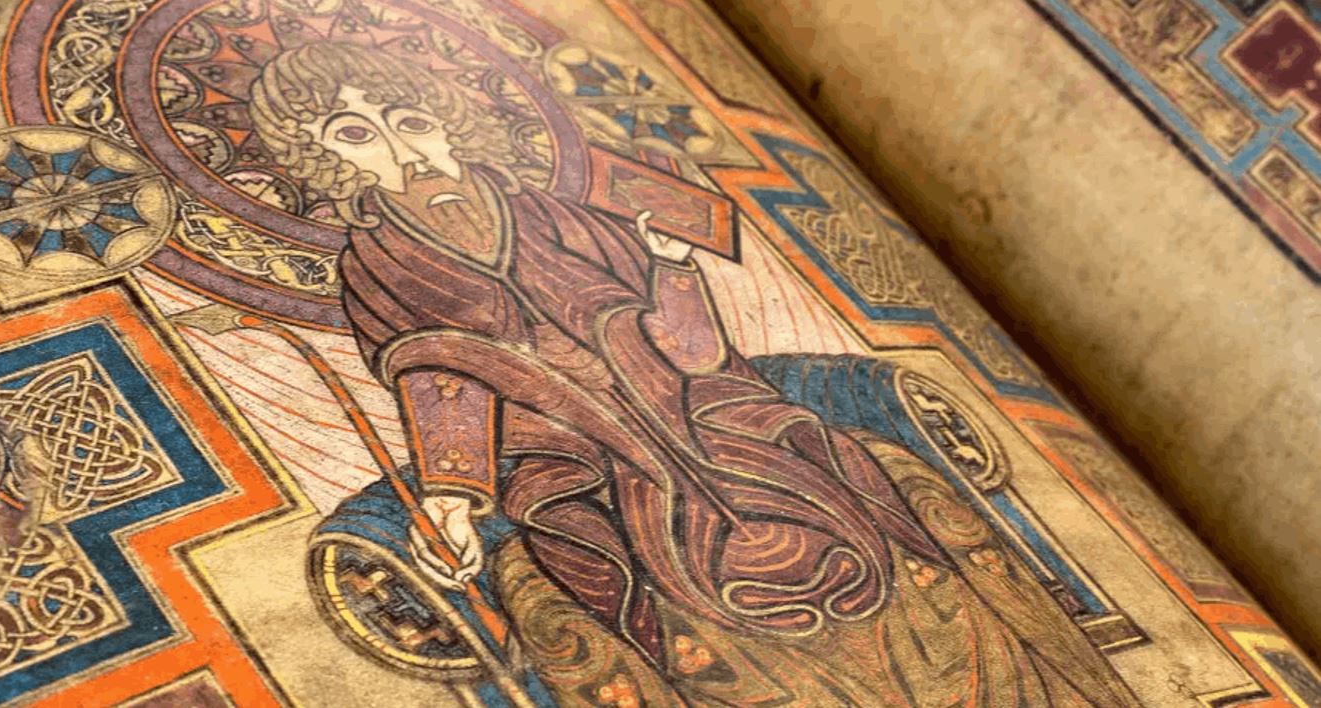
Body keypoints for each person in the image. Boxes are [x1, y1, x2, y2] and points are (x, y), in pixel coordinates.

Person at [249, 40, 1138, 705]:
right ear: (327, 156)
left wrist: (672, 269)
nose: (396, 146)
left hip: (696, 409)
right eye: (356, 133)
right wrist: (453, 494)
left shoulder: (560, 215)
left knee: (846, 482)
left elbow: (694, 355)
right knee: (602, 568)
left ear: (446, 120)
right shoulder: (378, 261)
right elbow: (438, 374)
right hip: (566, 453)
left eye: (409, 120)